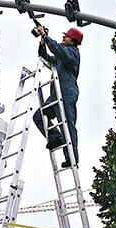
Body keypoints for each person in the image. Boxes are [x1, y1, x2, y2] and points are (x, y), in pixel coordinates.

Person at [33, 26, 82, 169]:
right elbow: (45, 57)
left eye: (66, 36)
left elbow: (58, 50)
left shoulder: (72, 54)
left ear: (73, 41)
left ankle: (72, 157)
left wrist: (47, 37)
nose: (63, 38)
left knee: (67, 123)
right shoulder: (61, 58)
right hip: (56, 95)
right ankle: (56, 137)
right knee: (39, 117)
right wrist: (43, 42)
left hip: (67, 93)